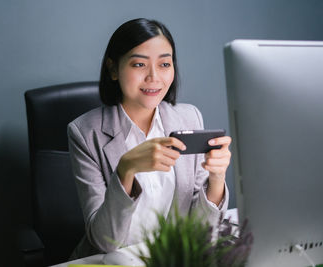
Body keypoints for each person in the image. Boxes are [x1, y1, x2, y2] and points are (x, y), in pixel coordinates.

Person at [67, 18, 232, 259]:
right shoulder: (84, 132)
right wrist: (126, 169)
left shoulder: (189, 118)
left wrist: (216, 179)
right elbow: (103, 240)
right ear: (113, 69)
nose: (154, 77)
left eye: (165, 64)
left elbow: (201, 233)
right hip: (112, 261)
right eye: (138, 65)